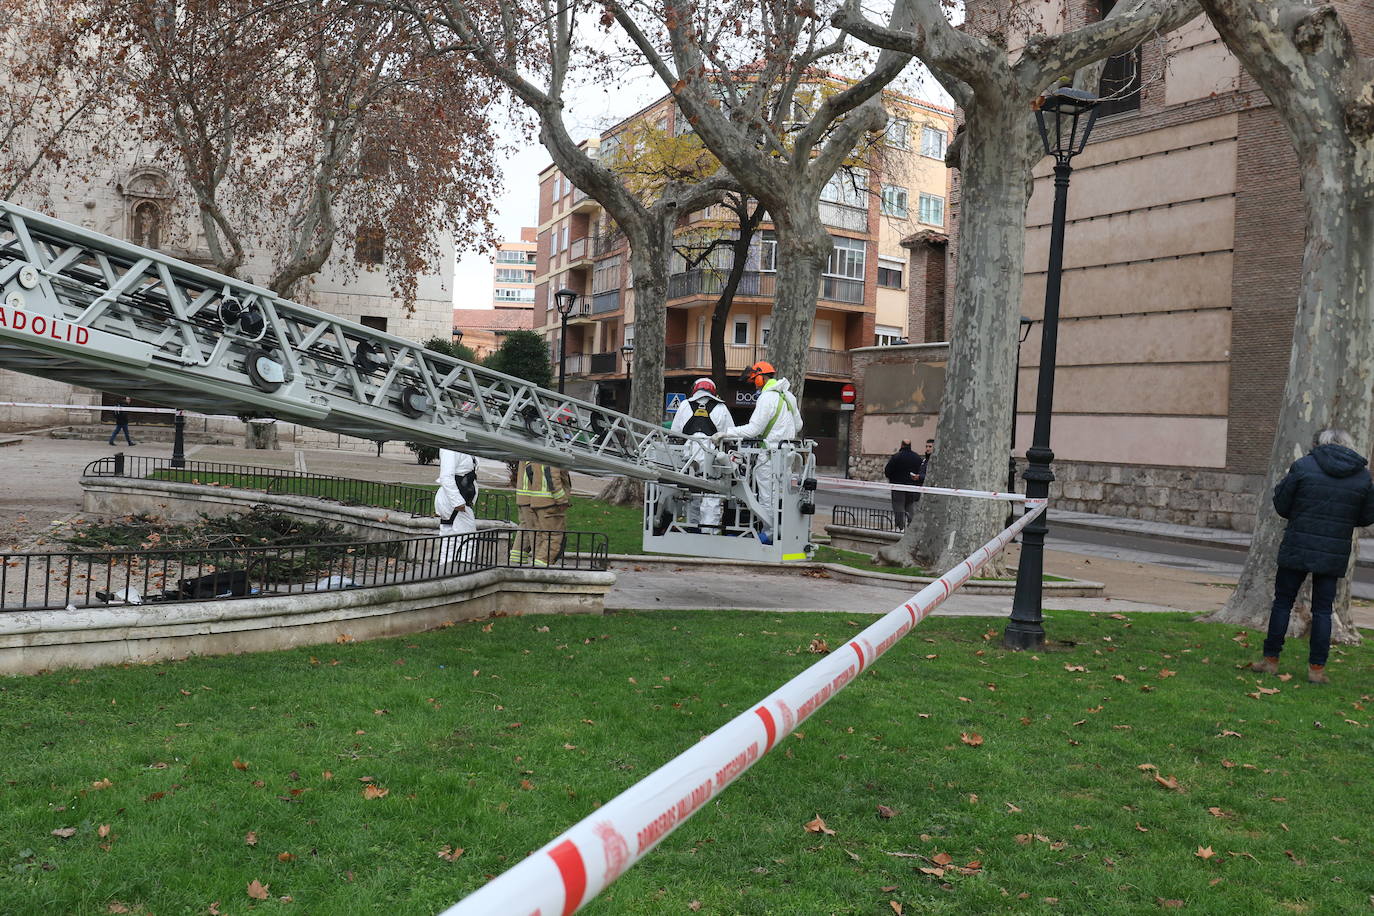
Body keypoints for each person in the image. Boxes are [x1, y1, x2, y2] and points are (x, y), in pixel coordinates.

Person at [1254, 428, 1374, 684]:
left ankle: (1270, 660)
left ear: (1319, 443)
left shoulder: (1303, 465)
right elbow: (1366, 517)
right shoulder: (1362, 476)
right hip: (1333, 551)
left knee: (1282, 602)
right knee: (1322, 610)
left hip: (1297, 543)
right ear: (1349, 445)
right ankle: (1316, 669)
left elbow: (1282, 505)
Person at [712, 361, 801, 544]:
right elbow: (798, 425)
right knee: (780, 495)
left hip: (769, 456)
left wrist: (726, 433)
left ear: (761, 378)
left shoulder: (767, 398)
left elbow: (753, 430)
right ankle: (781, 532)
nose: (754, 384)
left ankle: (770, 534)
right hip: (787, 454)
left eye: (754, 380)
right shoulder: (788, 396)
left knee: (767, 497)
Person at [672, 378, 735, 530]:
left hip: (688, 455)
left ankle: (692, 528)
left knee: (691, 493)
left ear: (694, 389)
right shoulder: (721, 408)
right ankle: (708, 531)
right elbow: (731, 435)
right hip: (712, 454)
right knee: (711, 495)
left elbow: (674, 433)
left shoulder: (685, 405)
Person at [512, 460, 573, 567]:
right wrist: (561, 499)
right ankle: (540, 566)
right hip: (546, 500)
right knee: (549, 535)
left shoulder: (530, 448)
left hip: (528, 497)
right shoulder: (548, 452)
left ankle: (517, 561)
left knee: (527, 529)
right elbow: (551, 475)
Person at [435, 448, 479, 565]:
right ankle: (461, 570)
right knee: (466, 539)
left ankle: (447, 570)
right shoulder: (451, 449)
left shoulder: (461, 447)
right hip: (455, 500)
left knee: (452, 539)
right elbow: (446, 476)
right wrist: (458, 502)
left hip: (459, 498)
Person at [883, 440, 923, 529]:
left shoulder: (896, 457)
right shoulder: (917, 457)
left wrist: (892, 478)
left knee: (898, 506)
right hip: (912, 487)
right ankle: (912, 526)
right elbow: (920, 471)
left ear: (901, 445)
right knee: (909, 505)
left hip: (898, 487)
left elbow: (887, 471)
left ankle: (900, 526)